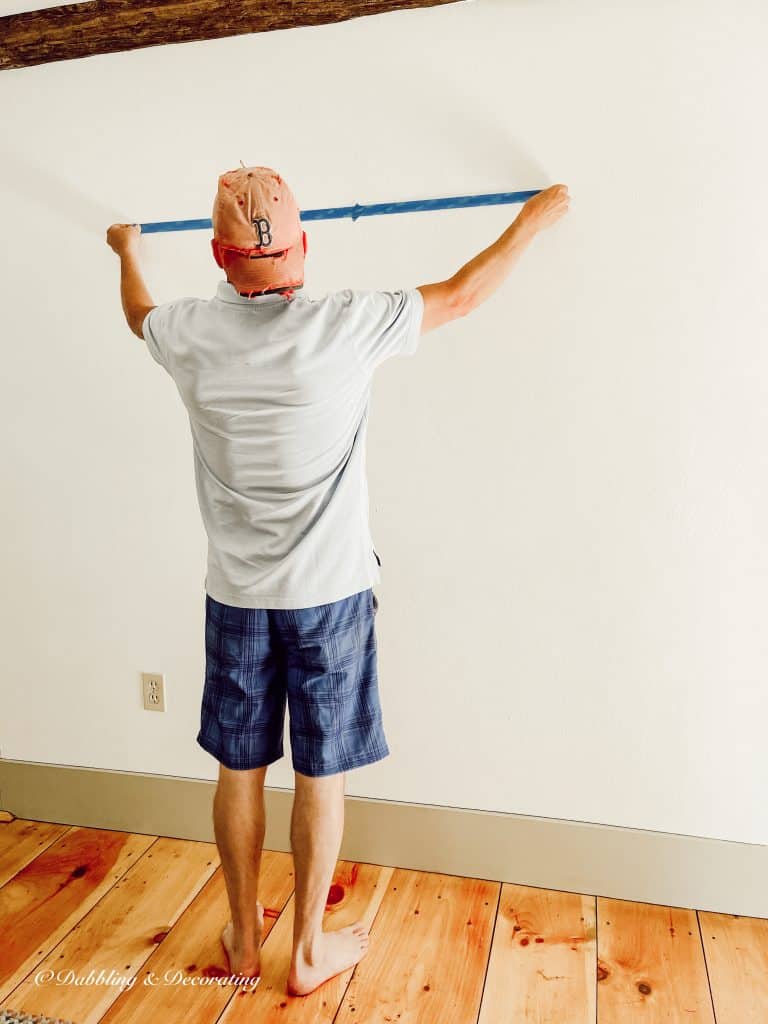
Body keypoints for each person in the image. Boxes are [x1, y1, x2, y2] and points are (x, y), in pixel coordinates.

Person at [106, 167, 569, 996]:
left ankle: (246, 942)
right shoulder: (347, 324)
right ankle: (308, 950)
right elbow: (463, 296)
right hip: (330, 597)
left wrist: (124, 249)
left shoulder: (184, 333)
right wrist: (534, 222)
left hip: (237, 599)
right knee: (323, 774)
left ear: (218, 256)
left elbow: (137, 312)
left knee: (238, 771)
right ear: (304, 248)